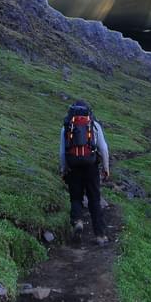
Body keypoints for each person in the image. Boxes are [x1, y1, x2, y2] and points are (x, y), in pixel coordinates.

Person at [59, 100, 110, 245]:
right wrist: (106, 168)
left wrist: (63, 170)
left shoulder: (67, 127)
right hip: (91, 166)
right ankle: (100, 235)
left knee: (76, 198)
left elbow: (62, 152)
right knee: (94, 200)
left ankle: (78, 221)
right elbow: (104, 149)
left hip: (73, 167)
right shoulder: (93, 125)